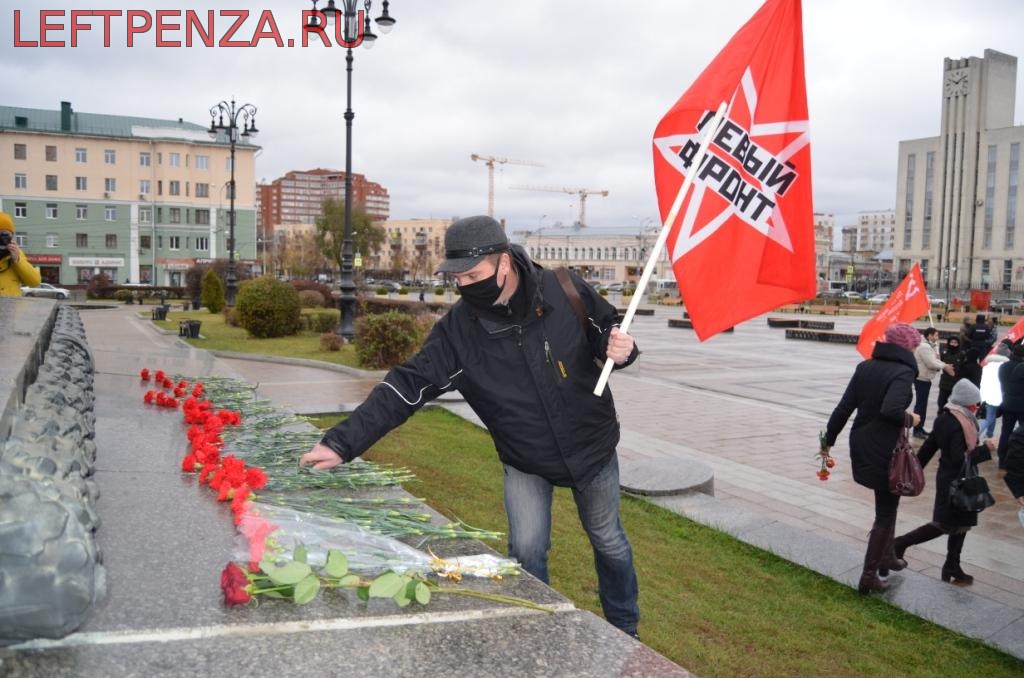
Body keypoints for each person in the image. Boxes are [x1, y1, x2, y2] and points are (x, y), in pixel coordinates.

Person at [299, 215, 642, 636]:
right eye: (456, 277)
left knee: (609, 543)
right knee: (527, 552)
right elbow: (405, 386)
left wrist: (621, 347)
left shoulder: (564, 286)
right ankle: (543, 633)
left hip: (592, 447)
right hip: (525, 459)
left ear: (504, 263)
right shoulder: (458, 332)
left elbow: (607, 329)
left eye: (473, 274)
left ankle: (626, 630)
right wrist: (342, 442)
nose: (464, 284)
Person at [823, 322, 921, 594]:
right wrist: (910, 418)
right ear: (907, 347)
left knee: (888, 504)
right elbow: (891, 410)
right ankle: (869, 577)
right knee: (886, 511)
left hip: (863, 442)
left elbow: (844, 407)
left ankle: (887, 556)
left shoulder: (866, 366)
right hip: (886, 449)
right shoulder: (903, 372)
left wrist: (828, 441)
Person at [892, 379, 996, 586]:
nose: (977, 408)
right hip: (954, 480)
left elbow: (930, 445)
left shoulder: (950, 417)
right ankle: (899, 543)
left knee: (963, 524)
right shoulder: (956, 422)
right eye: (975, 404)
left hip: (960, 478)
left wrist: (916, 469)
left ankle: (952, 565)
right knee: (945, 524)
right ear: (968, 403)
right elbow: (958, 459)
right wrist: (986, 449)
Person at [913, 327, 953, 439]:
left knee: (923, 405)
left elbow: (935, 360)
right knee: (921, 405)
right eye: (936, 335)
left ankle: (920, 427)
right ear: (929, 336)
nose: (937, 337)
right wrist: (944, 366)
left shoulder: (929, 346)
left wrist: (941, 361)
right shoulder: (924, 347)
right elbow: (931, 363)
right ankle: (917, 429)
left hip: (925, 378)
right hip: (922, 379)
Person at [0, 211, 41, 296]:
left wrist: (17, 260)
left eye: (7, 234)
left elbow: (35, 282)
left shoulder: (16, 254)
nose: (3, 239)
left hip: (10, 308)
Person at [997, 343, 1024, 470]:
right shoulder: (1022, 368)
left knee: (1005, 432)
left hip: (1007, 402)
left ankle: (1002, 459)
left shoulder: (1003, 367)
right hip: (1021, 405)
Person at [936, 335, 963, 411]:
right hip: (945, 382)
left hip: (956, 381)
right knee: (941, 402)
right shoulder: (944, 352)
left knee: (955, 404)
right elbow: (939, 364)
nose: (953, 344)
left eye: (955, 342)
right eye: (952, 342)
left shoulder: (962, 354)